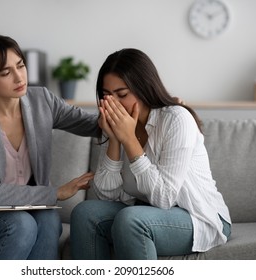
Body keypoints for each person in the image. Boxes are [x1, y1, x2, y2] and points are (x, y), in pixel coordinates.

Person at [0, 33, 99, 260]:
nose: (19, 76)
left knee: (50, 220)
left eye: (20, 65)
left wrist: (126, 114)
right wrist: (56, 192)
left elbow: (90, 124)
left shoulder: (42, 99)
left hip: (27, 206)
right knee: (22, 225)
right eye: (5, 72)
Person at [70, 48, 231, 260]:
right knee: (84, 214)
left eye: (122, 94)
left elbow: (164, 198)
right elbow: (107, 195)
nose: (113, 104)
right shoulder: (116, 124)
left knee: (131, 219)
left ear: (143, 88)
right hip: (144, 212)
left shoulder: (176, 119)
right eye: (107, 96)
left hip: (198, 217)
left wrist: (129, 140)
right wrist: (116, 140)